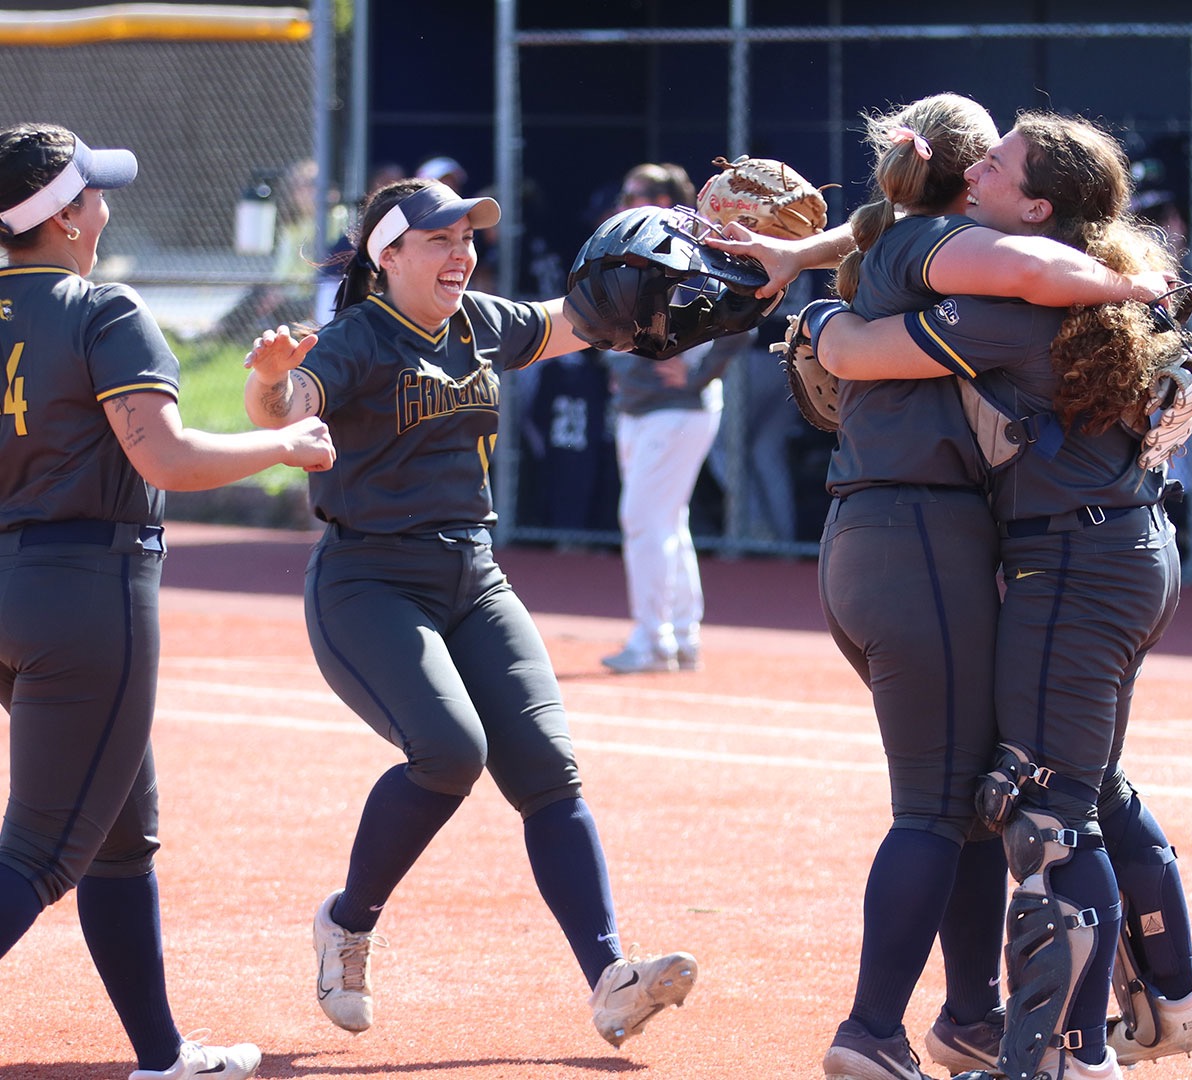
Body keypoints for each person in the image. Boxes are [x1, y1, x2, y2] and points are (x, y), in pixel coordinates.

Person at [712, 95, 1192, 1080]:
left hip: (906, 542)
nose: (982, 182)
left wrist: (818, 302)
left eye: (999, 174)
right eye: (980, 166)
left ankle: (994, 1019)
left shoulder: (935, 258)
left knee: (1013, 792)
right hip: (985, 548)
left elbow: (867, 327)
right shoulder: (977, 269)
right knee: (1014, 797)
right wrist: (1148, 292)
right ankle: (1078, 1018)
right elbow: (981, 259)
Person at [239, 177, 696, 1048]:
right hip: (369, 580)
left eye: (468, 238)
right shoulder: (356, 340)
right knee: (449, 752)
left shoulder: (480, 321)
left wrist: (691, 271)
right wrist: (268, 380)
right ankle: (347, 922)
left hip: (472, 575)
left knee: (548, 771)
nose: (462, 253)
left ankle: (610, 978)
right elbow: (288, 408)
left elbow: (572, 319)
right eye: (440, 239)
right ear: (391, 256)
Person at [0, 123, 335, 1080]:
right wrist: (284, 443)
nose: (105, 207)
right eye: (93, 194)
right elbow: (166, 457)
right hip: (84, 592)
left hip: (11, 581)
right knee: (42, 853)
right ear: (63, 218)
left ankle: (161, 1054)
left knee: (118, 835)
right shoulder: (102, 309)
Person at [597, 162, 729, 674]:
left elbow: (740, 319)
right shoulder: (630, 248)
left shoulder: (689, 248)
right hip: (639, 410)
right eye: (626, 192)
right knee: (667, 521)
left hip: (676, 411)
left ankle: (653, 641)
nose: (627, 200)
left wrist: (697, 374)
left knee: (644, 520)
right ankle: (681, 636)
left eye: (639, 194)